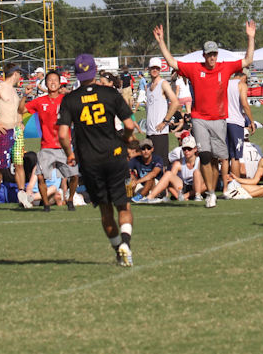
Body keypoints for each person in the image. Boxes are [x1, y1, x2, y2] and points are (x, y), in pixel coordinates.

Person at [152, 20, 256, 209]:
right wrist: (161, 42)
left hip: (219, 119)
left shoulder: (225, 67)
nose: (212, 57)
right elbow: (172, 62)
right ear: (204, 55)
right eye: (209, 54)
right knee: (206, 155)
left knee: (216, 159)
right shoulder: (194, 68)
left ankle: (212, 190)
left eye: (214, 54)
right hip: (199, 118)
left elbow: (248, 60)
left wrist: (250, 37)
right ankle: (210, 194)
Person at [57, 53, 139, 267]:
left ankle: (117, 249)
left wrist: (69, 154)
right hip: (115, 156)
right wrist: (127, 139)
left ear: (77, 74)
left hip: (90, 161)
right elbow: (129, 125)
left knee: (105, 209)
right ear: (95, 71)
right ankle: (126, 243)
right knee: (123, 205)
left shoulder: (69, 99)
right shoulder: (109, 93)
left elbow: (63, 135)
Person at [25, 70, 78, 211]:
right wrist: (25, 95)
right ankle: (46, 204)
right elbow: (21, 110)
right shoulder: (39, 101)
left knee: (74, 175)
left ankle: (70, 200)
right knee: (40, 176)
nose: (53, 82)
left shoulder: (67, 100)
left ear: (60, 83)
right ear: (45, 83)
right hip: (46, 146)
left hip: (64, 146)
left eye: (55, 80)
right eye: (50, 80)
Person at [0, 63, 27, 204]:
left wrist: (20, 121)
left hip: (16, 131)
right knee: (0, 165)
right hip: (4, 131)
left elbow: (17, 110)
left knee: (19, 163)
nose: (20, 77)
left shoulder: (14, 91)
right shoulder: (0, 87)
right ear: (15, 73)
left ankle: (21, 193)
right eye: (19, 74)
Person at [142, 57, 180, 161]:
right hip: (149, 132)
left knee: (160, 163)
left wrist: (165, 121)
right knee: (149, 162)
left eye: (157, 68)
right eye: (153, 68)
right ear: (149, 69)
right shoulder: (148, 86)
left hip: (160, 132)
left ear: (160, 70)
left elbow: (175, 102)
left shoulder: (163, 84)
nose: (155, 70)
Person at [227, 68, 254, 179]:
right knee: (235, 157)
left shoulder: (225, 83)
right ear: (244, 76)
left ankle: (225, 185)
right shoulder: (241, 85)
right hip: (236, 122)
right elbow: (244, 103)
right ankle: (235, 184)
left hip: (223, 121)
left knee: (225, 157)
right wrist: (251, 121)